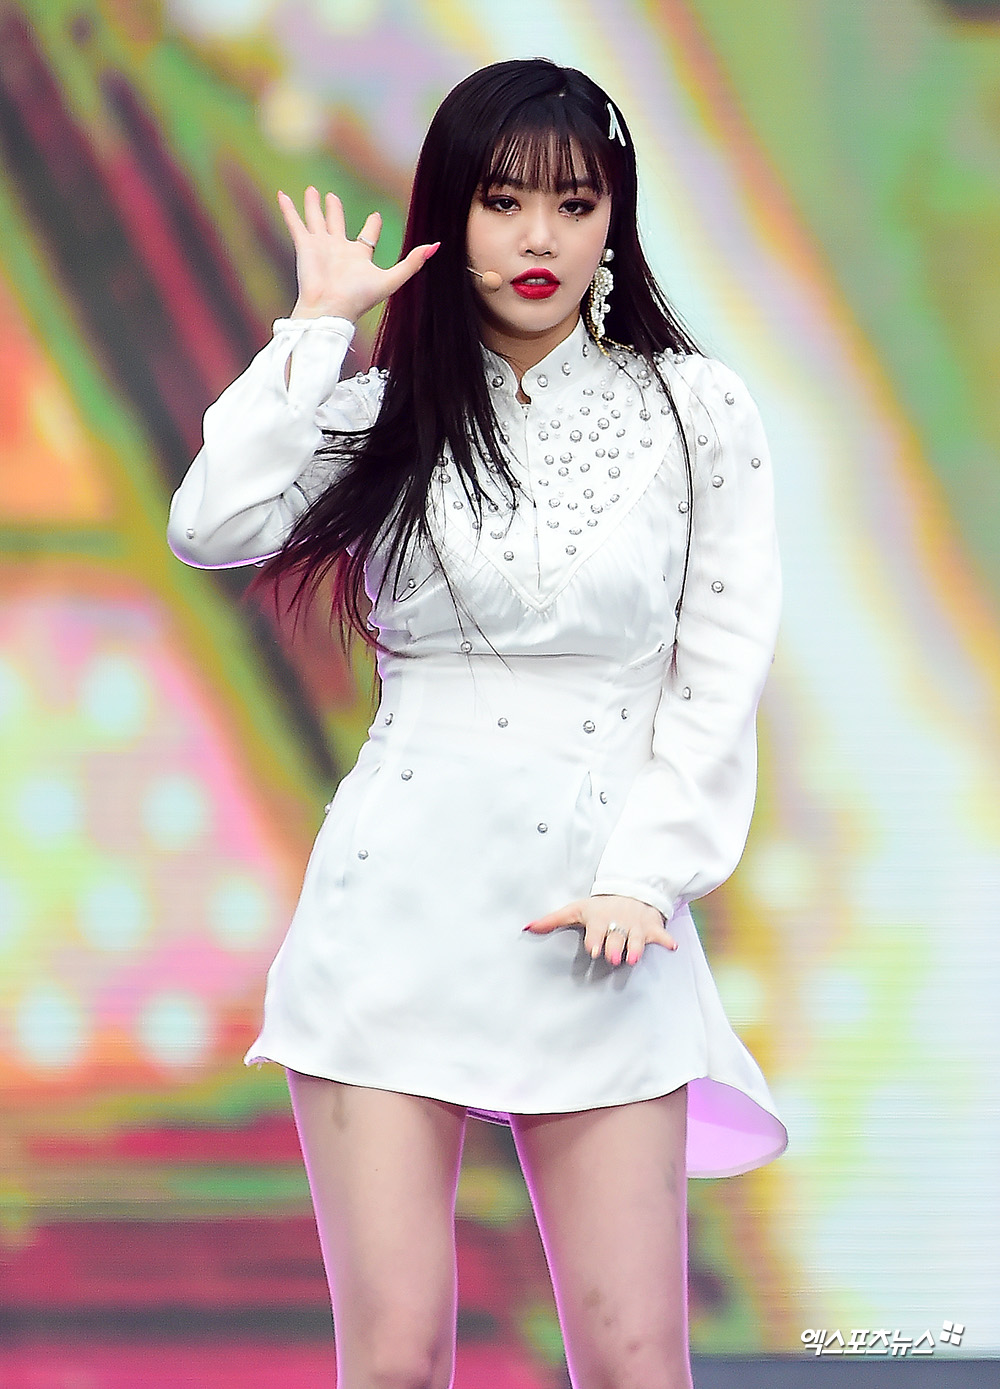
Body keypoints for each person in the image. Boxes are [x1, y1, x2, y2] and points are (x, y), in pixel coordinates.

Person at [168, 57, 786, 1389]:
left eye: (575, 202)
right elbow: (209, 524)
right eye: (504, 201)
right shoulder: (382, 416)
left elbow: (723, 660)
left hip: (599, 921)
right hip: (393, 914)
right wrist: (315, 331)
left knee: (635, 1364)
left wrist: (648, 873)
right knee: (395, 1360)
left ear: (615, 216)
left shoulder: (695, 410)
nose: (539, 237)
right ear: (451, 213)